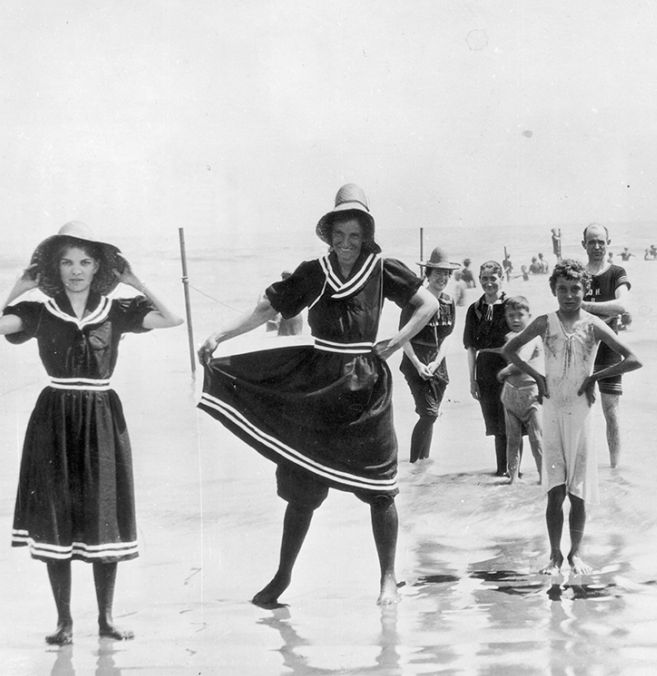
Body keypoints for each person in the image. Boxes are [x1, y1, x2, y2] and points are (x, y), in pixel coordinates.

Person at [197, 184, 438, 606]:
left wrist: (397, 341)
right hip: (318, 384)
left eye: (355, 237)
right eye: (339, 236)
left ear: (366, 237)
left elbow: (428, 304)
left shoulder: (383, 268)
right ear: (329, 235)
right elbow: (268, 309)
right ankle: (282, 577)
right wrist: (220, 333)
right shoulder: (312, 271)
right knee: (302, 483)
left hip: (367, 386)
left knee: (380, 487)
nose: (346, 244)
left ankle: (387, 579)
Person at [0, 221, 184, 645]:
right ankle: (64, 623)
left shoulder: (116, 309)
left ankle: (106, 619)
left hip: (100, 415)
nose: (76, 270)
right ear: (55, 269)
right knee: (56, 513)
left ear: (98, 268)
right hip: (54, 416)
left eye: (85, 262)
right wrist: (17, 288)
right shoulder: (38, 311)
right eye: (67, 262)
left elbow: (174, 318)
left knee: (102, 512)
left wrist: (134, 280)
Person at [502, 260, 641, 574]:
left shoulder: (593, 324)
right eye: (562, 289)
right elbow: (510, 351)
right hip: (551, 410)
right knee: (555, 491)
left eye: (575, 288)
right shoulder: (543, 322)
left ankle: (576, 554)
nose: (569, 294)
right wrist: (537, 379)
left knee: (578, 492)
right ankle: (554, 555)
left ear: (585, 290)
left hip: (581, 412)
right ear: (553, 290)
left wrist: (595, 378)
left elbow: (633, 359)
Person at [400, 247, 459, 464]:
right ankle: (414, 464)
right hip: (415, 361)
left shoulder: (449, 302)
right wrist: (417, 363)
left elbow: (447, 337)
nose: (442, 277)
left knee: (430, 416)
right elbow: (403, 336)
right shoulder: (414, 300)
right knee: (429, 414)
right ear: (428, 274)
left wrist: (436, 362)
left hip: (437, 364)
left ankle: (423, 463)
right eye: (438, 273)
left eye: (446, 273)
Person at [581, 223, 632, 468]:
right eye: (592, 241)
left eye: (601, 241)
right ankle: (581, 467)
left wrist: (587, 307)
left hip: (609, 352)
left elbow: (623, 305)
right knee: (579, 413)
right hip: (580, 350)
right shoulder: (578, 274)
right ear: (584, 245)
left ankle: (615, 469)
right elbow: (565, 307)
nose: (597, 246)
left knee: (611, 414)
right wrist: (605, 313)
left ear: (608, 243)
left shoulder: (616, 272)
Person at [463, 260, 511, 476]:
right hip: (484, 369)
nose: (489, 283)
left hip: (508, 366)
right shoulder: (474, 309)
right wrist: (472, 380)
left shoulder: (512, 305)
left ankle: (513, 471)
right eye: (484, 278)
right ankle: (502, 472)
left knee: (511, 421)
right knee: (494, 424)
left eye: (493, 278)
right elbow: (471, 348)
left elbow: (524, 339)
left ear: (502, 278)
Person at [496, 296, 544, 484]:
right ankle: (513, 478)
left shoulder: (533, 336)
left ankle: (543, 477)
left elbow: (521, 360)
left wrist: (504, 372)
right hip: (511, 393)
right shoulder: (509, 337)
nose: (515, 320)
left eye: (520, 315)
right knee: (513, 439)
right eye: (510, 315)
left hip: (531, 393)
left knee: (537, 438)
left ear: (529, 316)